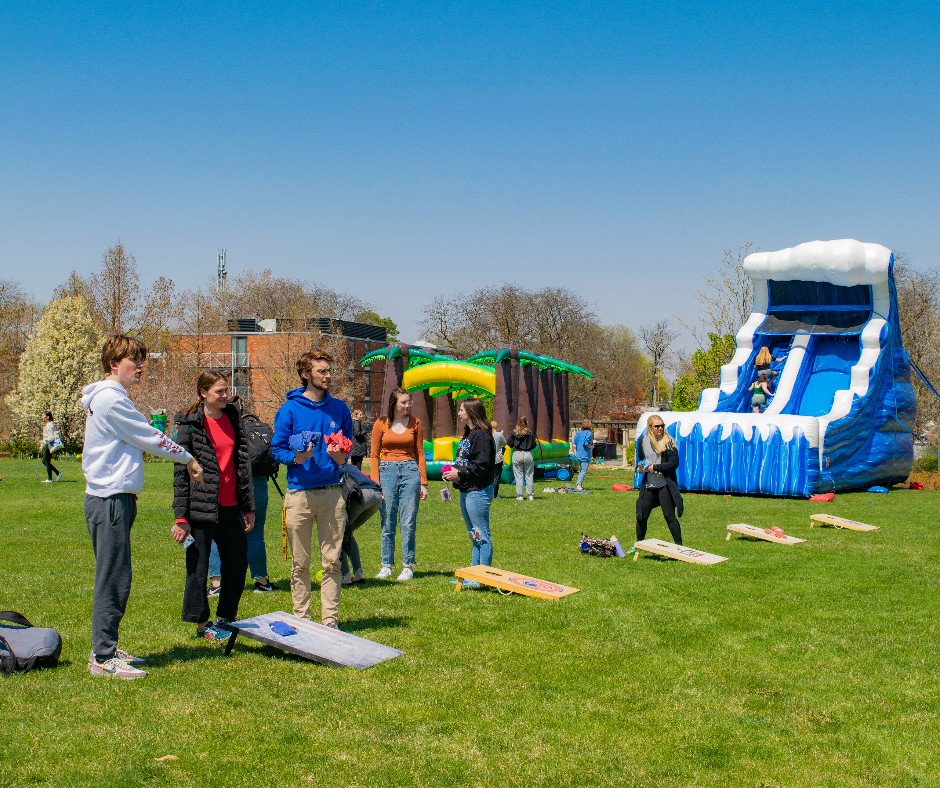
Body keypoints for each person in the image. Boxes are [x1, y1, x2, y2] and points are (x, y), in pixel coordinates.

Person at [82, 334, 204, 679]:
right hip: (110, 501)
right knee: (114, 577)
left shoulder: (109, 397)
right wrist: (188, 458)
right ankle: (103, 657)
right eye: (133, 361)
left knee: (114, 574)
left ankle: (106, 647)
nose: (140, 367)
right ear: (113, 364)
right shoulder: (110, 400)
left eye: (141, 360)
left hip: (113, 499)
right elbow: (148, 436)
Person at [270, 350, 352, 628]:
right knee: (301, 563)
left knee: (332, 562)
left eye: (329, 370)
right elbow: (276, 450)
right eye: (321, 371)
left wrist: (340, 456)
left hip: (332, 493)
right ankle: (302, 619)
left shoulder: (340, 409)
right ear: (306, 374)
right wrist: (297, 458)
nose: (328, 376)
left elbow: (347, 451)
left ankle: (330, 622)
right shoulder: (290, 409)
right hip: (299, 495)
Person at [171, 372, 255, 641]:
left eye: (226, 390)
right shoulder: (189, 425)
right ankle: (202, 624)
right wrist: (181, 517)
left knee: (237, 563)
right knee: (198, 568)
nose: (225, 395)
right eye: (219, 391)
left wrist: (248, 507)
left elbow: (243, 465)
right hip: (201, 506)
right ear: (203, 393)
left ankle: (226, 617)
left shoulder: (233, 418)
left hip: (231, 506)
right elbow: (180, 474)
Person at [370, 388, 428, 581]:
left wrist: (423, 483)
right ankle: (386, 565)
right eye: (403, 402)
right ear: (394, 403)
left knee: (408, 521)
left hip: (410, 472)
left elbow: (420, 453)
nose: (407, 405)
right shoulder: (380, 423)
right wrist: (376, 483)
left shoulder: (415, 423)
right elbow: (374, 455)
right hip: (386, 472)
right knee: (387, 519)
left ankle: (408, 566)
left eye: (409, 402)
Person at [442, 398, 495, 583]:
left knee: (482, 534)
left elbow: (482, 465)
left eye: (461, 410)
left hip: (478, 491)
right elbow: (464, 461)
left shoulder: (481, 435)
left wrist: (459, 472)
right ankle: (473, 576)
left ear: (471, 412)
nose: (459, 413)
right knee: (474, 534)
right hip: (467, 490)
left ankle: (483, 577)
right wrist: (451, 472)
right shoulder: (469, 434)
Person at [635, 416, 683, 546]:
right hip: (649, 485)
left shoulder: (669, 441)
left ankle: (679, 546)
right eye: (657, 426)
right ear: (650, 427)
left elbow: (674, 463)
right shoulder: (643, 441)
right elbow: (640, 460)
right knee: (641, 516)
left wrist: (655, 467)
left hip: (665, 485)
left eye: (662, 425)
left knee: (669, 516)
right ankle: (639, 545)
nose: (660, 428)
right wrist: (640, 468)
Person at [339, 463, 384, 584]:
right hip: (377, 496)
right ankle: (358, 574)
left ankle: (345, 576)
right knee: (348, 533)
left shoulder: (333, 465)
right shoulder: (349, 466)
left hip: (362, 494)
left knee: (339, 534)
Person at [507, 415, 536, 500]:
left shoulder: (514, 432)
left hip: (517, 453)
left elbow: (509, 443)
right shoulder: (530, 433)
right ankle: (530, 495)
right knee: (529, 475)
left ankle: (520, 496)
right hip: (528, 454)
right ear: (526, 422)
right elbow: (534, 445)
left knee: (518, 476)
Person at [40, 411, 63, 483]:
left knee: (45, 461)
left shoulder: (50, 425)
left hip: (50, 445)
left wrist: (43, 442)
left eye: (43, 416)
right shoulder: (47, 425)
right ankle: (57, 473)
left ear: (48, 417)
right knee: (45, 461)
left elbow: (51, 437)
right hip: (48, 444)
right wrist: (42, 445)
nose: (42, 417)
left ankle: (51, 478)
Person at [572, 419, 594, 491]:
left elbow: (575, 441)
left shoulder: (578, 433)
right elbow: (586, 444)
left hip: (578, 454)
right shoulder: (588, 433)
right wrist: (591, 446)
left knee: (581, 470)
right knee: (584, 470)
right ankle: (578, 485)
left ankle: (580, 484)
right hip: (585, 454)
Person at [491, 420, 507, 498]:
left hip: (489, 459)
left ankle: (488, 493)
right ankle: (494, 494)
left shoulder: (488, 434)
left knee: (489, 477)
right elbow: (505, 443)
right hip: (498, 459)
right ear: (496, 426)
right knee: (496, 477)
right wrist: (501, 435)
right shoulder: (498, 435)